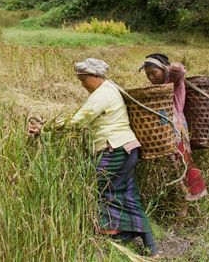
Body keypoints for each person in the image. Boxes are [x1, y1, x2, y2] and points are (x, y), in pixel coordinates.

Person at [29, 58, 159, 257]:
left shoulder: (103, 93)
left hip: (115, 150)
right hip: (127, 149)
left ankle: (103, 234)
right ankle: (149, 248)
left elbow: (80, 119)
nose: (82, 85)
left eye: (83, 80)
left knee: (89, 187)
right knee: (127, 196)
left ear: (95, 76)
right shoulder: (108, 90)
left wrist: (46, 127)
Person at [139, 53, 208, 201]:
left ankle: (193, 195)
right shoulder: (154, 88)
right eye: (148, 74)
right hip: (163, 134)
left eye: (154, 73)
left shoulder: (173, 83)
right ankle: (177, 198)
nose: (151, 77)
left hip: (176, 131)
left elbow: (180, 71)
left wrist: (174, 68)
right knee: (174, 169)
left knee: (184, 163)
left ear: (164, 70)